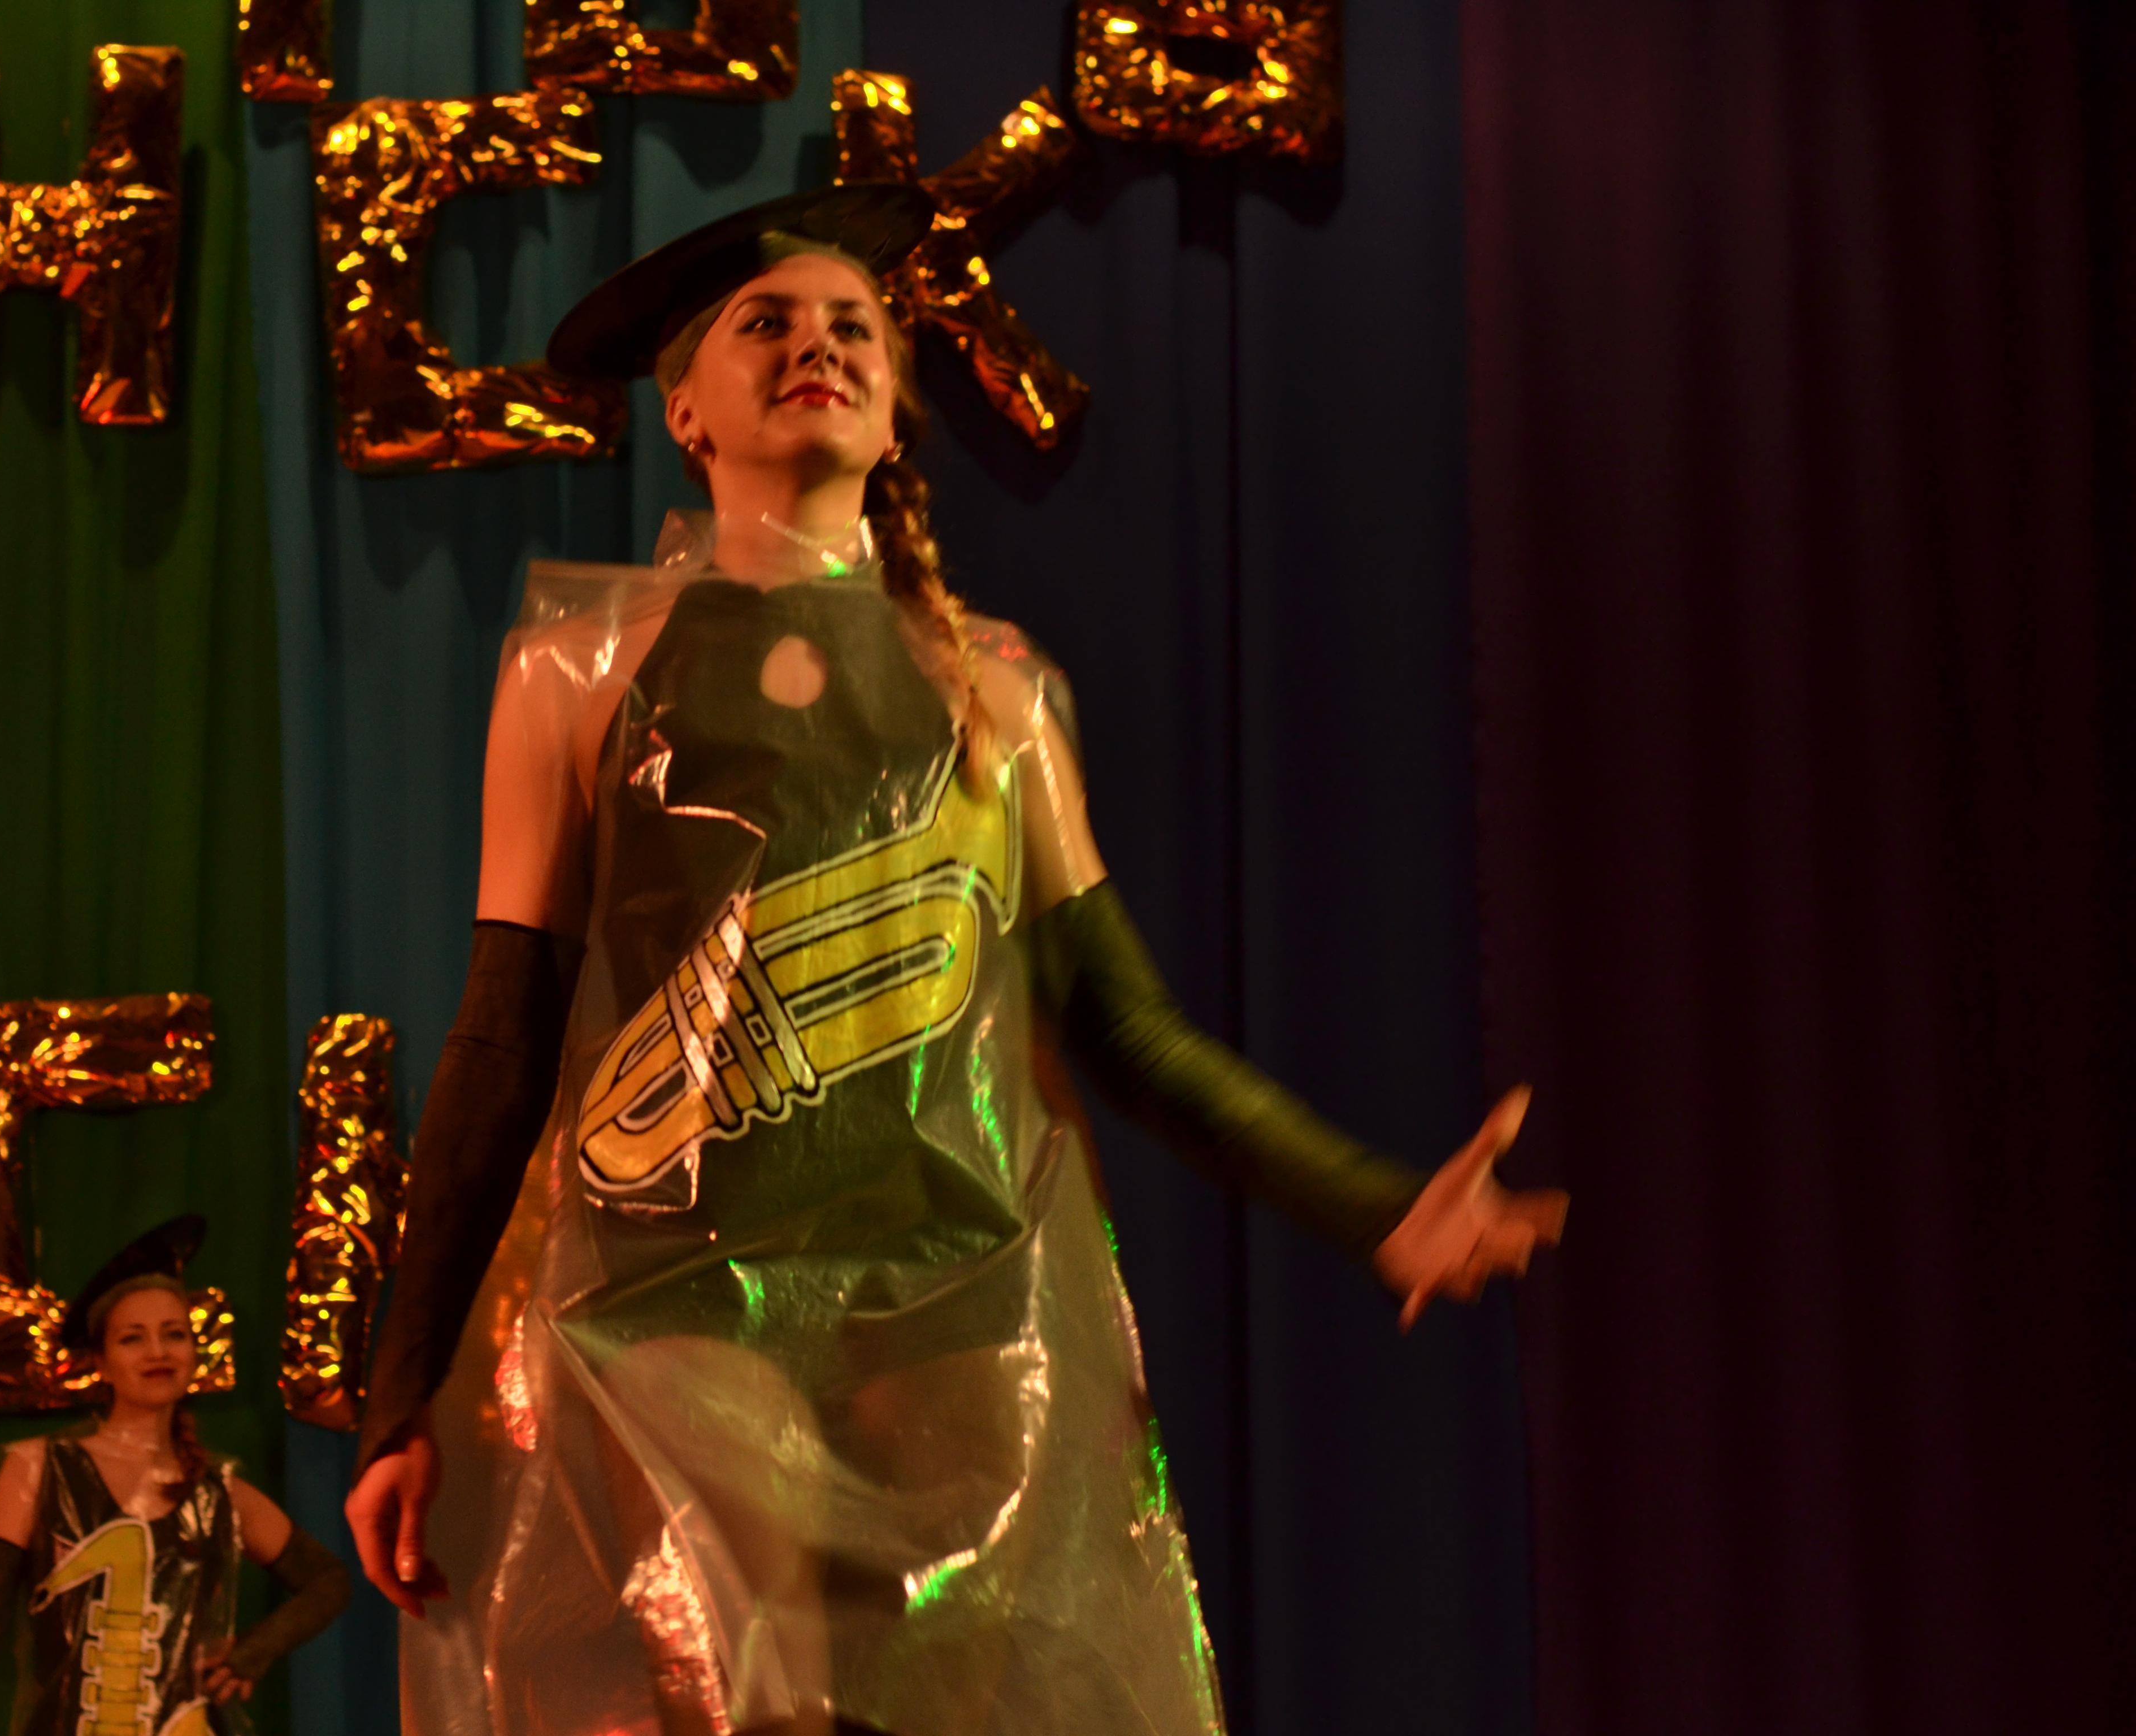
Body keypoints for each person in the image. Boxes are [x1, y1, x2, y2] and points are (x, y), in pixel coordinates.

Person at [344, 184, 1568, 1736]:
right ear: (685, 409)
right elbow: (504, 1035)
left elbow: (1124, 1025)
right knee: (742, 1686)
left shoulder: (996, 688)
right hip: (679, 1299)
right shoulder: (579, 672)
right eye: (767, 323)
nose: (818, 345)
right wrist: (402, 1396)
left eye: (854, 324)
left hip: (946, 1301)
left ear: (894, 400)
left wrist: (1377, 1206)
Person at [0, 1216, 350, 1736]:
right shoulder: (37, 1469)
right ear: (101, 1361)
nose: (158, 1353)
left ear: (194, 1352)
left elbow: (328, 1581)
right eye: (133, 1339)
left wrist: (253, 1653)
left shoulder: (219, 1491)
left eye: (174, 1335)